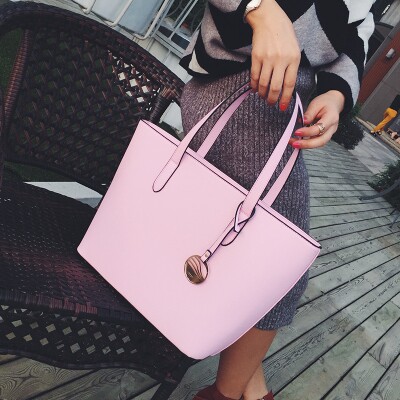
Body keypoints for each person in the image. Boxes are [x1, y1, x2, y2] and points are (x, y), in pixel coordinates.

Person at [178, 1, 375, 399]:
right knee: (281, 270)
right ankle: (226, 395)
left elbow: (357, 28)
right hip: (240, 89)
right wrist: (259, 9)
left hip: (280, 110)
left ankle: (252, 390)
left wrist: (336, 95)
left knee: (254, 254)